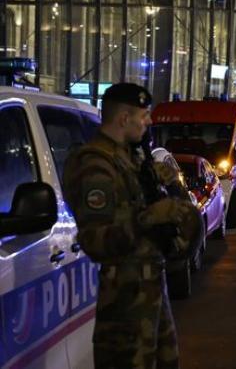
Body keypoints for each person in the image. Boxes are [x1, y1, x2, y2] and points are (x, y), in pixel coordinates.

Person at [63, 83, 199, 369]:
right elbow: (95, 242)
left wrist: (169, 184)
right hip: (124, 304)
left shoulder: (131, 160)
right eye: (144, 115)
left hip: (151, 292)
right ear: (124, 119)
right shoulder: (95, 166)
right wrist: (149, 218)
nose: (149, 122)